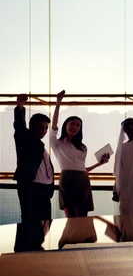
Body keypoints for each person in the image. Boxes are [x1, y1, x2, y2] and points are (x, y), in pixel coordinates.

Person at [51, 90, 110, 218]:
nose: (75, 127)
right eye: (72, 124)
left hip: (83, 179)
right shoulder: (58, 143)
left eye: (78, 125)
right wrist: (58, 103)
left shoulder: (83, 147)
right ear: (65, 125)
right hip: (67, 179)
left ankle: (83, 237)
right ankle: (72, 238)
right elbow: (54, 125)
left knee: (83, 215)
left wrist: (99, 164)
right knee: (70, 215)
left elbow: (83, 169)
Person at [13, 94, 54, 222]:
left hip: (44, 191)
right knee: (30, 223)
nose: (44, 130)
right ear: (31, 126)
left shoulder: (40, 145)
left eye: (46, 128)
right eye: (40, 127)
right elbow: (19, 125)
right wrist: (20, 106)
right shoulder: (25, 138)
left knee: (44, 225)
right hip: (31, 188)